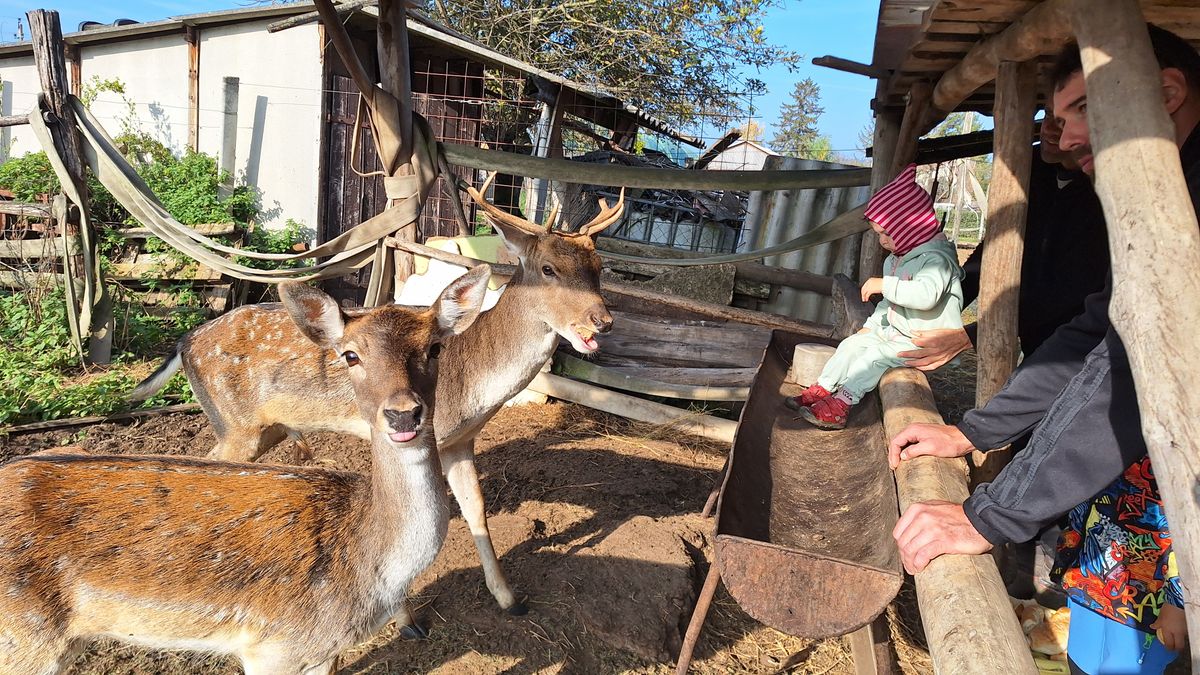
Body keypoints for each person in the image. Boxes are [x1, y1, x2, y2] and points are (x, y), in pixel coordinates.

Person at [886, 23, 1199, 638]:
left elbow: (1133, 362)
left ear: (1166, 93)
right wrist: (974, 430)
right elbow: (1099, 331)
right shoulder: (1161, 192)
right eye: (1059, 115)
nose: (1068, 133)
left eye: (1084, 107)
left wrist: (991, 514)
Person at [897, 111, 1109, 371]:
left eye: (1065, 121)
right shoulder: (1026, 165)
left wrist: (976, 333)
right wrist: (940, 301)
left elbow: (1072, 290)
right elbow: (996, 247)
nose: (1049, 129)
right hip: (1035, 329)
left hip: (1084, 343)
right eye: (1050, 115)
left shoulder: (1107, 189)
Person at [785, 163, 964, 430]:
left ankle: (841, 405)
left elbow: (926, 296)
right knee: (850, 346)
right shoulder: (897, 259)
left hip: (927, 343)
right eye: (879, 234)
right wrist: (869, 328)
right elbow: (889, 306)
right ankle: (822, 389)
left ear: (909, 226)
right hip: (897, 332)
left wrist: (886, 285)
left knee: (873, 358)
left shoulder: (936, 260)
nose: (882, 241)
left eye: (887, 233)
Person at [1050, 455, 1185, 674]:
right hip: (1091, 570)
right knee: (1080, 659)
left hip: (1151, 598)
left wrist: (1179, 600)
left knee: (1124, 666)